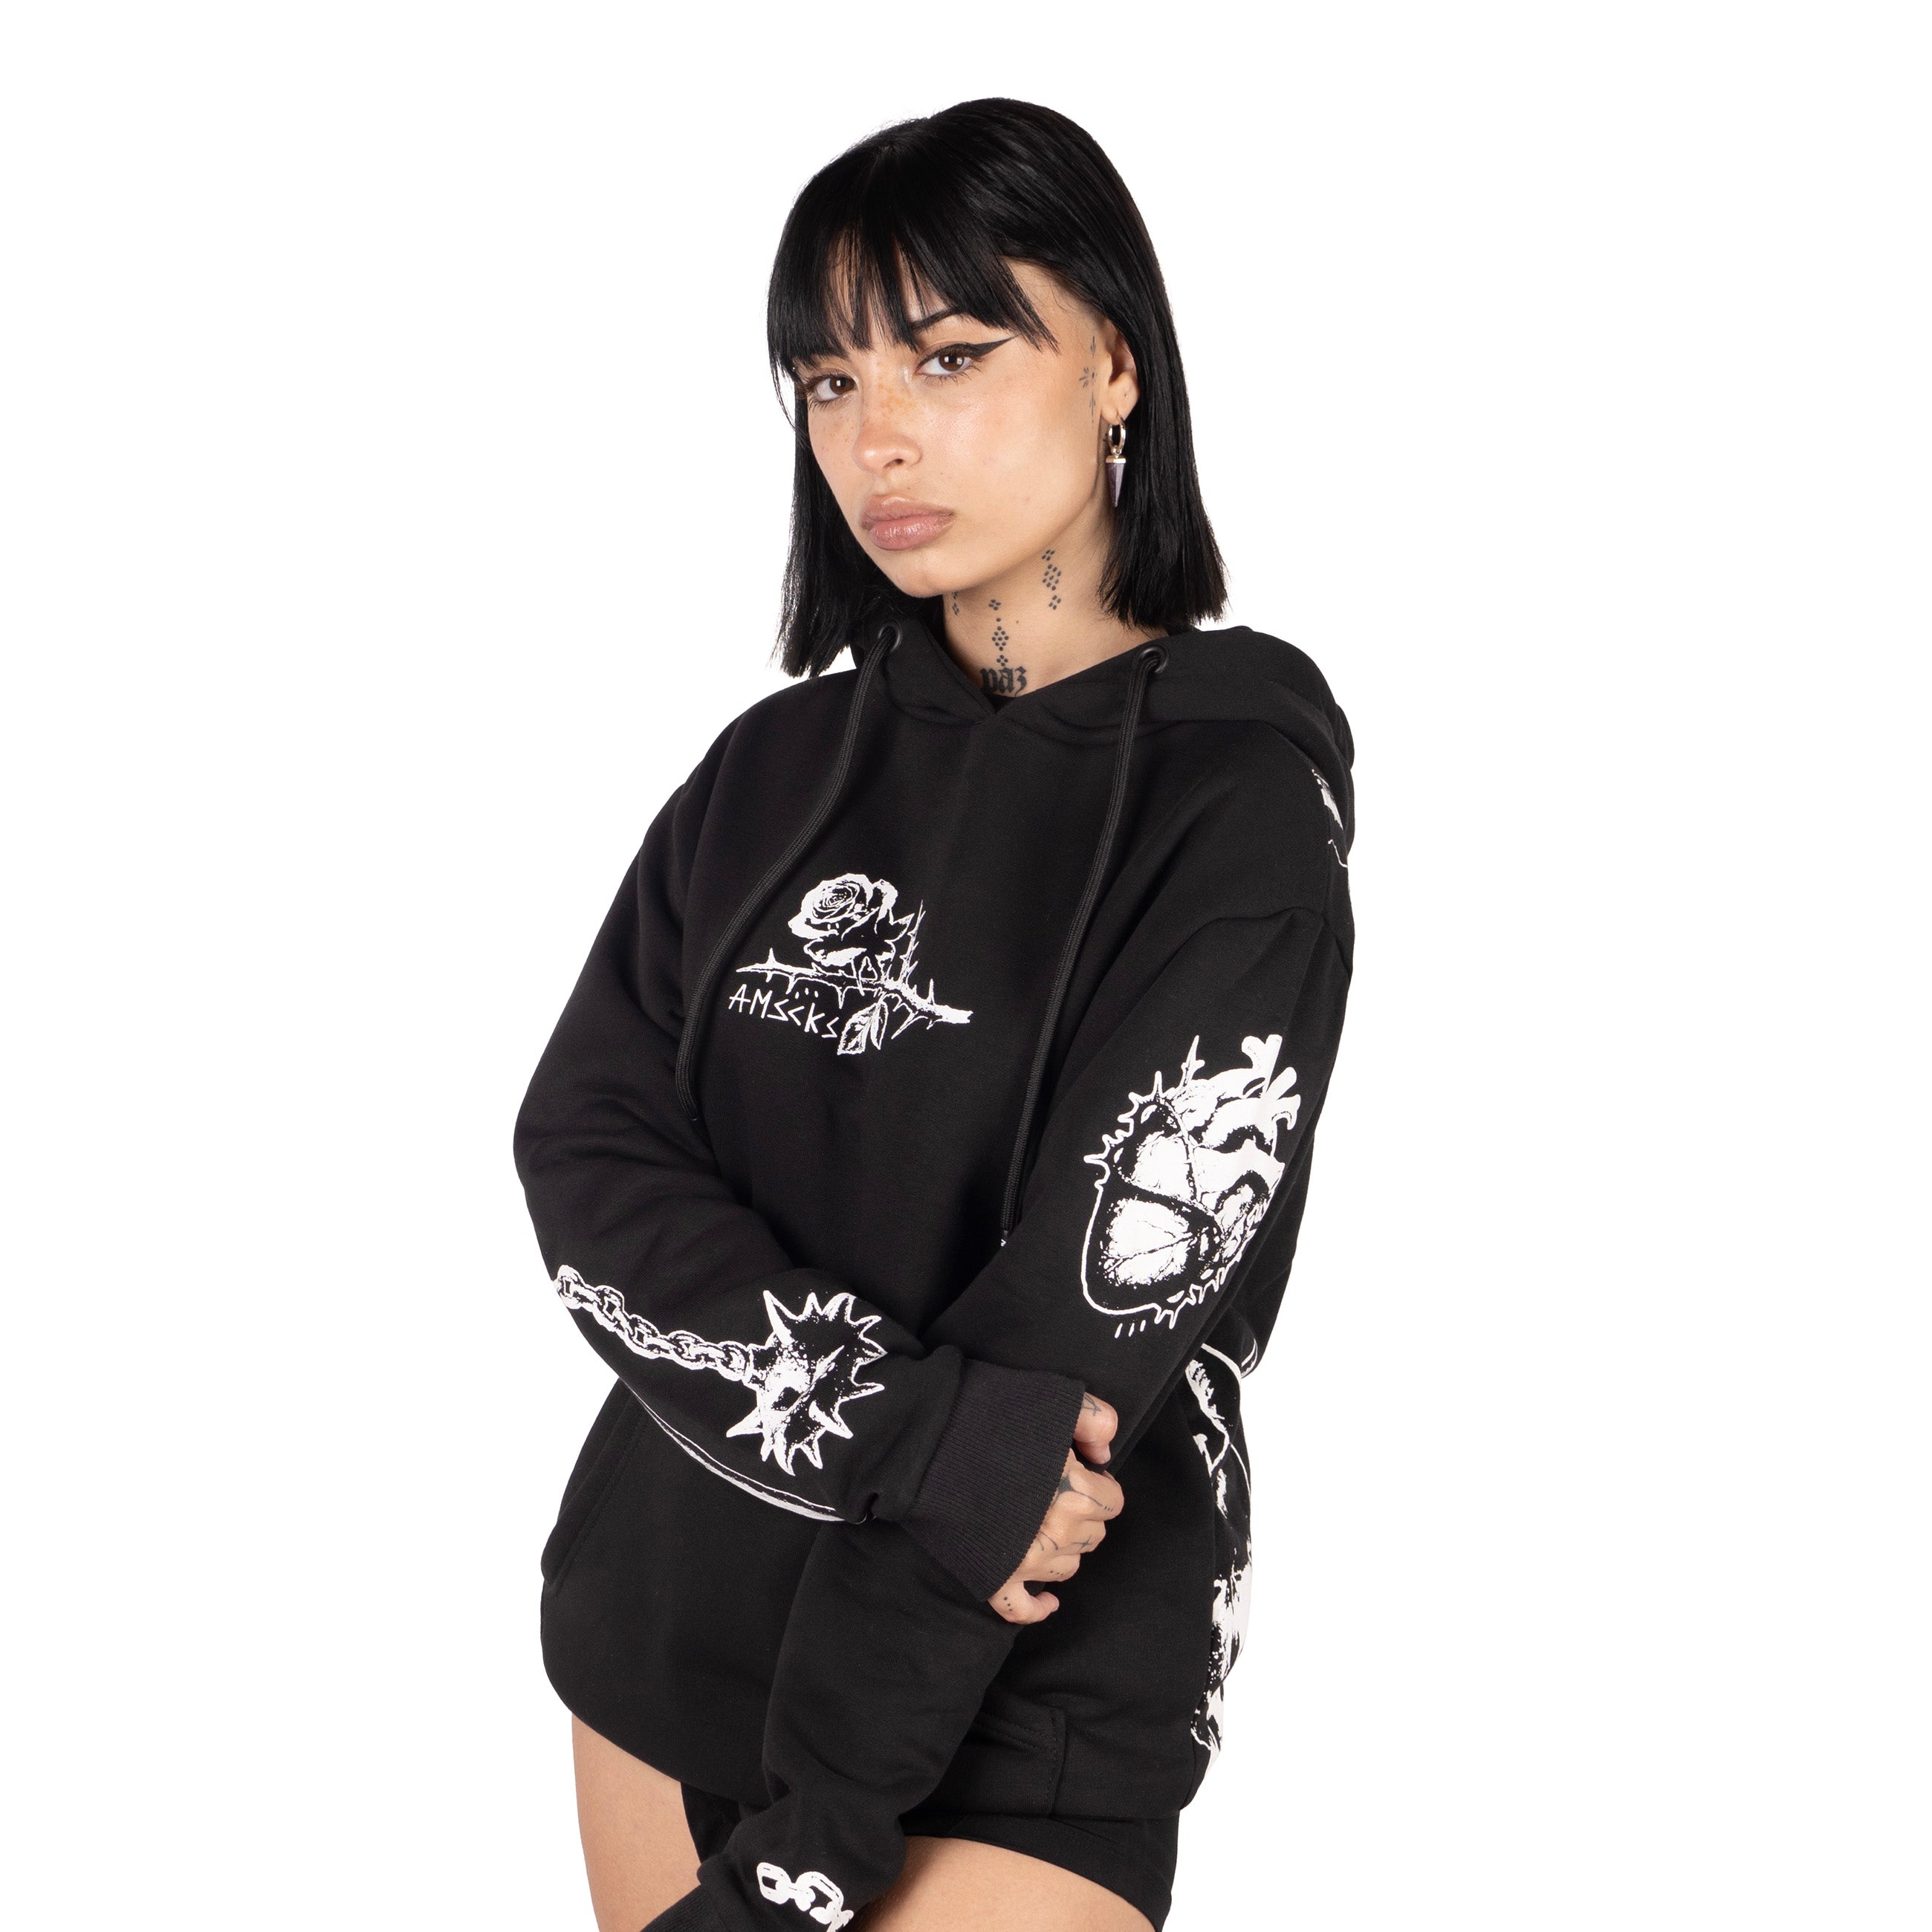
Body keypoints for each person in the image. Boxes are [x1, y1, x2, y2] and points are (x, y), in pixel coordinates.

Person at [514, 97, 1355, 1932]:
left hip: (1025, 1683)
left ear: (1114, 361)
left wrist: (818, 1834)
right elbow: (584, 1146)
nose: (875, 434)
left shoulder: (1235, 806)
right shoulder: (768, 771)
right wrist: (917, 1438)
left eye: (952, 355)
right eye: (827, 381)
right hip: (668, 1621)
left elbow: (1078, 1338)